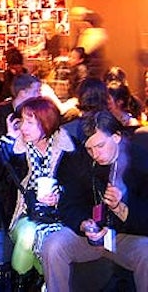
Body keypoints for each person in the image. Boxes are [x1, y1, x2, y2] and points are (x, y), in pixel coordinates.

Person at [40, 110, 148, 291]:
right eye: (89, 149)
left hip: (124, 237)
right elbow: (69, 204)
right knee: (53, 244)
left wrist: (121, 208)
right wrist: (84, 224)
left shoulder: (141, 161)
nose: (95, 154)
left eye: (100, 146)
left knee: (146, 252)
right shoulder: (80, 160)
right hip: (89, 236)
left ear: (116, 137)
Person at [5, 97, 77, 291]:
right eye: (22, 121)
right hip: (24, 214)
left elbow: (79, 186)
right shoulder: (16, 147)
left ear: (46, 123)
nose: (24, 128)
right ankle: (20, 285)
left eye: (30, 122)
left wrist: (60, 195)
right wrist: (9, 141)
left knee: (48, 241)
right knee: (30, 234)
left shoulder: (68, 148)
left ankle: (43, 282)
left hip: (58, 215)